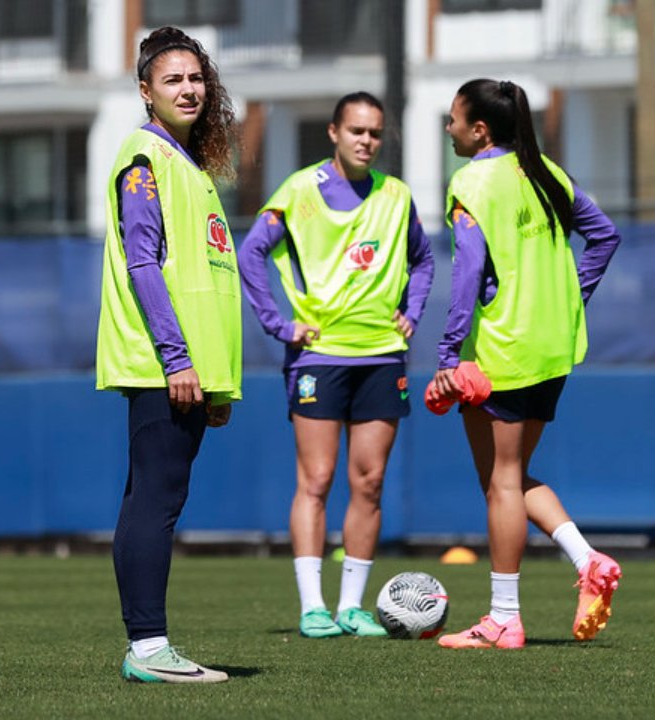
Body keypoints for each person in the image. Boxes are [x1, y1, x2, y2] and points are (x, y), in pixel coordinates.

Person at [432, 79, 623, 650]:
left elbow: (467, 274)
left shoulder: (471, 182)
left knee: (501, 483)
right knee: (509, 477)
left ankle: (504, 619)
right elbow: (604, 236)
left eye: (453, 119)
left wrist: (447, 354)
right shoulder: (548, 173)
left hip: (504, 349)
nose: (449, 128)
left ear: (479, 130)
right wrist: (568, 299)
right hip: (553, 346)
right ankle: (587, 561)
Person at [239, 92, 434, 639]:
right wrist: (279, 325)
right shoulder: (299, 190)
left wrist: (413, 311)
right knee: (317, 478)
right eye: (356, 131)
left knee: (369, 481)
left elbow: (423, 260)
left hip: (381, 355)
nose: (366, 141)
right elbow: (251, 252)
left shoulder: (397, 195)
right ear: (333, 133)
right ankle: (312, 608)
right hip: (319, 356)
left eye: (375, 133)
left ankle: (351, 607)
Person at [95, 27, 240, 683]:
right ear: (145, 90)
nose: (188, 89)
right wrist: (179, 359)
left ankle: (147, 646)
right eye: (173, 79)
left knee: (150, 499)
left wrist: (217, 382)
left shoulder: (188, 164)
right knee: (156, 501)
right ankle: (149, 648)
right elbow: (143, 262)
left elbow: (204, 277)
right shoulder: (145, 157)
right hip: (164, 364)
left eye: (196, 78)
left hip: (190, 369)